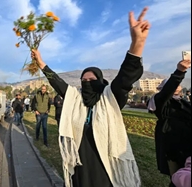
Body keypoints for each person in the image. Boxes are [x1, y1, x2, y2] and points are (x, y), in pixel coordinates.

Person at [31, 7, 151, 187]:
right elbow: (57, 82)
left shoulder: (111, 97)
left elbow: (126, 76)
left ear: (101, 81)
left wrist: (137, 44)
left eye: (91, 79)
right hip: (80, 164)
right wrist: (41, 63)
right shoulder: (76, 98)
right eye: (83, 80)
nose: (87, 82)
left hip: (106, 164)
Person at [147, 60, 191, 183]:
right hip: (172, 145)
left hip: (187, 143)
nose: (177, 86)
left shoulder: (183, 102)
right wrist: (179, 72)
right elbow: (167, 91)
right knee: (177, 176)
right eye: (173, 84)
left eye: (179, 84)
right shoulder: (161, 101)